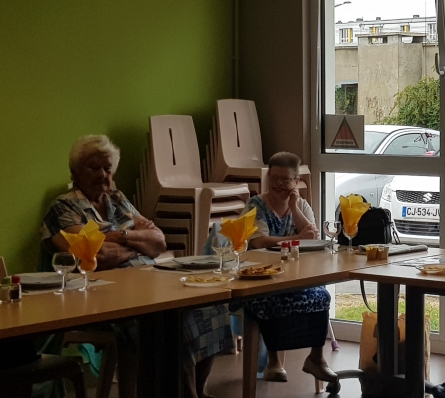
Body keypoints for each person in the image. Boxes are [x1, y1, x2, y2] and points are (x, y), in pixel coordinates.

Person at [39, 135, 232, 398]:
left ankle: (197, 390)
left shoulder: (117, 199)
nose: (102, 174)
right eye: (94, 167)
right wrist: (137, 243)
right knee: (171, 324)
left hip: (149, 282)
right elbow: (96, 256)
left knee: (210, 308)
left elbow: (159, 242)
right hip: (103, 294)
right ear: (75, 172)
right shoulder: (63, 208)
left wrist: (120, 236)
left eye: (107, 168)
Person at [236, 151, 335, 383]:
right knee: (273, 300)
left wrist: (294, 208)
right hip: (261, 279)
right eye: (274, 178)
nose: (279, 184)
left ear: (296, 181)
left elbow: (312, 236)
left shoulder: (301, 204)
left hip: (294, 276)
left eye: (285, 179)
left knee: (321, 295)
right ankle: (274, 362)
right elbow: (259, 241)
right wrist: (298, 238)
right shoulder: (256, 205)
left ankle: (316, 358)